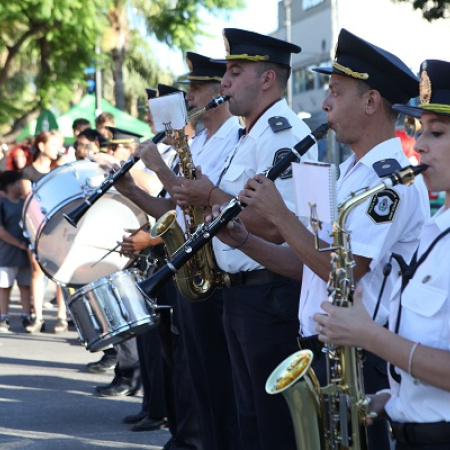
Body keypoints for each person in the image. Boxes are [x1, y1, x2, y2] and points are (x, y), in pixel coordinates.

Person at [209, 28, 430, 450]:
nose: (325, 103)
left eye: (336, 91)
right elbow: (306, 266)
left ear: (371, 102)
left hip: (363, 359)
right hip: (325, 351)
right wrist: (242, 240)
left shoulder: (389, 183)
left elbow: (339, 271)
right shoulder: (349, 172)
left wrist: (277, 213)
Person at [173, 29, 318, 450]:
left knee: (271, 427)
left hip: (269, 295)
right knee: (249, 420)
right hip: (241, 295)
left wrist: (211, 195)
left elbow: (280, 226)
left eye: (235, 72)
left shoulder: (281, 134)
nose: (224, 83)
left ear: (267, 79)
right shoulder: (249, 136)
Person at [312, 58, 450, 450]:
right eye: (422, 130)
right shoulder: (435, 232)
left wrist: (368, 336)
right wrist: (395, 398)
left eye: (436, 133)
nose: (419, 144)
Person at [21, 130, 69, 334]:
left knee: (59, 271)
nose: (58, 148)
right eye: (54, 144)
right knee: (37, 270)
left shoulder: (59, 170)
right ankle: (38, 316)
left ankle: (62, 316)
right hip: (36, 225)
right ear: (41, 146)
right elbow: (28, 200)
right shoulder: (28, 173)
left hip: (57, 225)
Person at [0, 171, 32, 332]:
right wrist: (19, 244)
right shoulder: (2, 204)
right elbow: (1, 231)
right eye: (19, 182)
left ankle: (27, 315)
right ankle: (3, 317)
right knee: (5, 286)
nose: (22, 185)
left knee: (25, 285)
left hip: (25, 253)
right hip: (6, 253)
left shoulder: (25, 203)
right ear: (11, 185)